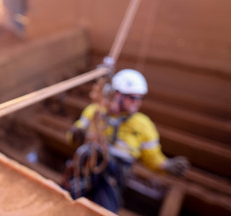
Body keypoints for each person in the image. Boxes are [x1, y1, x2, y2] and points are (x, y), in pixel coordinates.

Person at [64, 68, 190, 213]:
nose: (137, 102)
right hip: (86, 166)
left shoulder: (143, 125)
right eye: (132, 98)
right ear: (117, 95)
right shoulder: (95, 111)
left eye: (140, 98)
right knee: (67, 198)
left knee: (105, 210)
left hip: (113, 176)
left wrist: (166, 165)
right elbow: (73, 135)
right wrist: (76, 134)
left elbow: (152, 157)